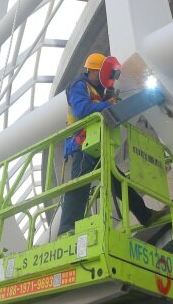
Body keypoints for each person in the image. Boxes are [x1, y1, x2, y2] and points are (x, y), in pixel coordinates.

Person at [57, 52, 158, 236]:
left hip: (96, 146)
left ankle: (145, 216)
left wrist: (107, 100)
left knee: (119, 182)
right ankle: (65, 230)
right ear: (92, 71)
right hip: (81, 144)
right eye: (100, 73)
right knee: (79, 185)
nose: (102, 77)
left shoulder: (97, 91)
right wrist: (106, 104)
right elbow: (82, 110)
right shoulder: (79, 86)